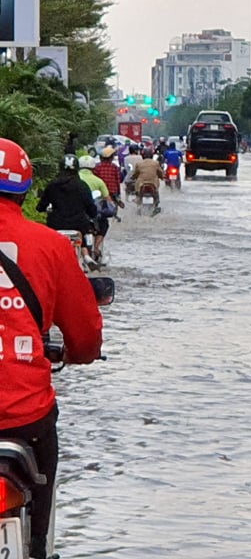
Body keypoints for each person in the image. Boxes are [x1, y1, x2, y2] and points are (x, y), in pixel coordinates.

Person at [0, 138, 103, 559]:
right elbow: (84, 332)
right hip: (26, 413)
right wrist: (80, 353)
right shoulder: (52, 247)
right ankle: (38, 545)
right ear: (24, 190)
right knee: (42, 475)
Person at [36, 155, 98, 265]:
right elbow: (92, 210)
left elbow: (40, 206)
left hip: (56, 224)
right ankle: (86, 255)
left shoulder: (53, 186)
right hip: (79, 225)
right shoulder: (82, 186)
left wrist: (43, 208)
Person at [78, 155, 112, 263]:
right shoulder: (98, 181)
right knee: (104, 224)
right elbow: (107, 199)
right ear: (93, 167)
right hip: (93, 213)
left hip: (78, 213)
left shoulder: (75, 179)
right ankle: (96, 247)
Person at [92, 146, 124, 210]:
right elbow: (118, 181)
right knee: (114, 207)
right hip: (112, 192)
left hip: (100, 192)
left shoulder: (97, 167)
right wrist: (118, 193)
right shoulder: (115, 167)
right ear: (111, 158)